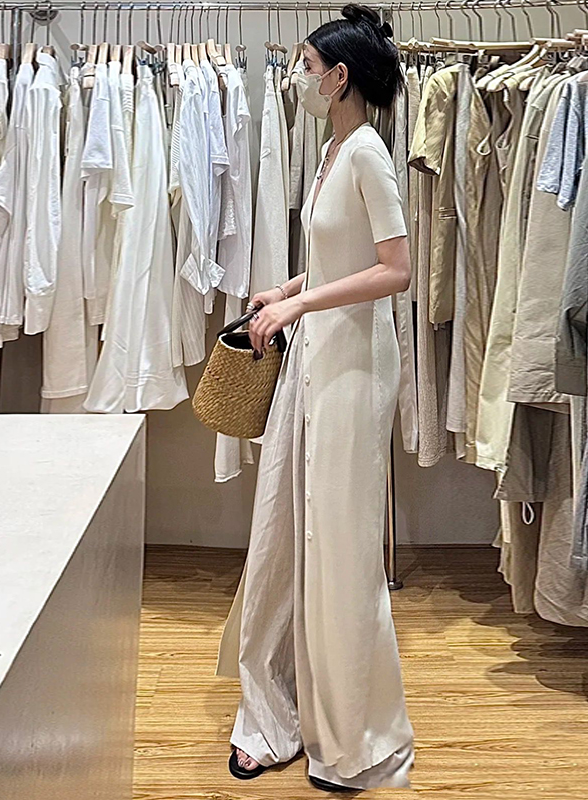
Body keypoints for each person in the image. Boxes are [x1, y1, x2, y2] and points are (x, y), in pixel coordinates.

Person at [214, 4, 415, 791]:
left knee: (338, 541)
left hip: (355, 367)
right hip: (319, 358)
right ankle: (277, 709)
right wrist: (288, 289)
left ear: (338, 78)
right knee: (290, 526)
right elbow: (342, 257)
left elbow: (396, 270)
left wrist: (299, 305)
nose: (296, 77)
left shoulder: (369, 154)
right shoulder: (332, 149)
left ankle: (354, 734)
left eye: (305, 66)